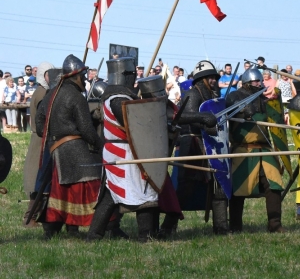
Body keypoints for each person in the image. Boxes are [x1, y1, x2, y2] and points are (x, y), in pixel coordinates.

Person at [87, 57, 160, 242]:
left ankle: (94, 235)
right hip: (124, 152)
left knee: (111, 195)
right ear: (126, 75)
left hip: (123, 151)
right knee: (145, 193)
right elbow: (133, 125)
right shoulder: (118, 99)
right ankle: (146, 236)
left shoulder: (119, 97)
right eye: (132, 74)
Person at [35, 54, 103, 239]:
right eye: (83, 75)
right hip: (75, 150)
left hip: (56, 150)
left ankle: (65, 228)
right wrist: (101, 145)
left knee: (63, 191)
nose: (84, 78)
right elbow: (87, 130)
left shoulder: (51, 94)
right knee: (93, 183)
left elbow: (40, 127)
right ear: (76, 76)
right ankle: (106, 224)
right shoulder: (75, 96)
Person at [160, 60, 229, 235]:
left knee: (219, 184)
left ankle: (221, 227)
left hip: (211, 144)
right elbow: (181, 117)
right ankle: (168, 227)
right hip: (193, 142)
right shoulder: (193, 93)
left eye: (214, 77)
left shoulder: (212, 95)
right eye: (209, 77)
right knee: (186, 189)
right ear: (201, 79)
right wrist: (204, 118)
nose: (213, 80)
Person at [226, 68, 285, 233]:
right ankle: (235, 226)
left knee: (273, 186)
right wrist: (243, 110)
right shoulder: (235, 96)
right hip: (243, 150)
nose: (260, 84)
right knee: (239, 189)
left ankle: (275, 224)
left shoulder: (263, 99)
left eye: (260, 81)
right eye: (256, 82)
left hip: (265, 150)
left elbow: (275, 118)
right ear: (246, 83)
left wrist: (276, 102)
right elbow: (227, 109)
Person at [22, 62, 55, 226]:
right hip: (41, 139)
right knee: (39, 180)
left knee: (42, 180)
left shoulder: (43, 91)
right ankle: (30, 217)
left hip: (42, 138)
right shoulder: (43, 94)